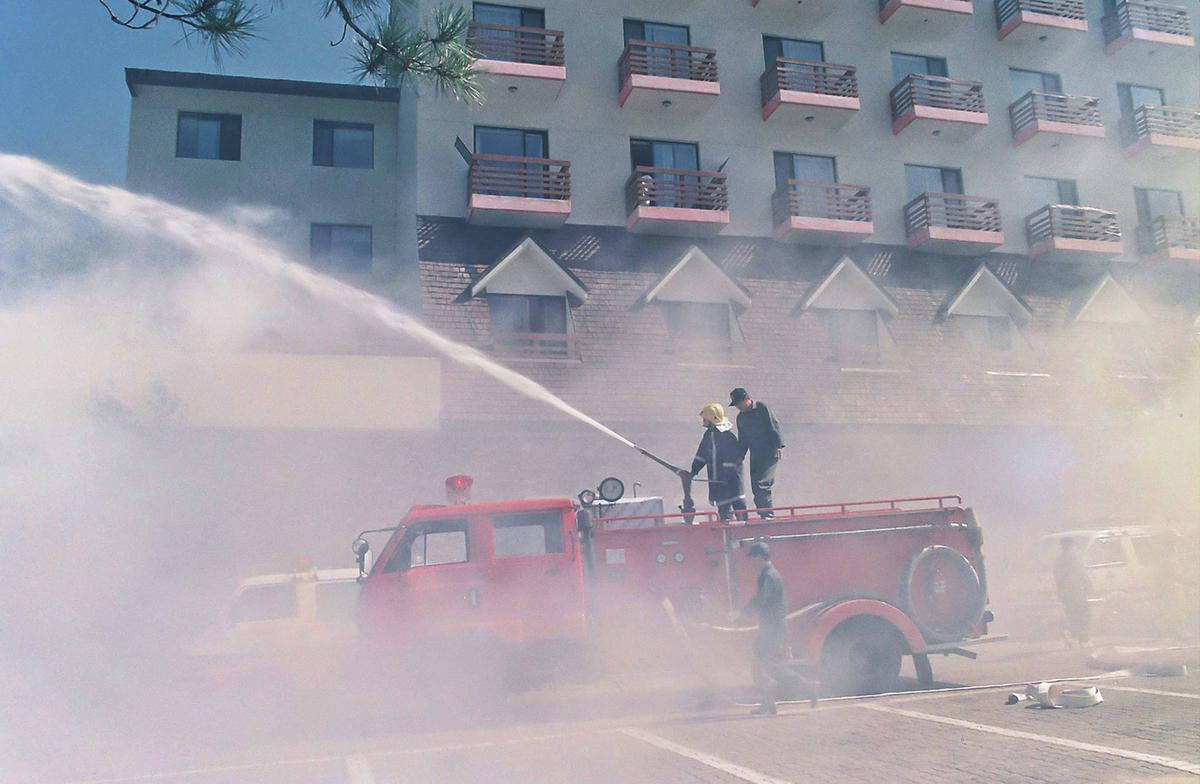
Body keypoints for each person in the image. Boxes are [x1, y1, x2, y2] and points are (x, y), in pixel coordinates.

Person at [741, 541, 788, 715]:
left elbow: (761, 599)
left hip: (772, 629)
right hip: (772, 628)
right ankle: (768, 703)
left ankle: (807, 687)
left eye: (753, 558)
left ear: (760, 557)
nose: (752, 563)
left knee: (762, 668)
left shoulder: (767, 576)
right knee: (765, 667)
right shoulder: (770, 574)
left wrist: (741, 613)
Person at [682, 403, 747, 522]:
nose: (703, 420)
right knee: (724, 515)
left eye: (705, 418)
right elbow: (701, 456)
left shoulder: (727, 437)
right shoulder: (709, 436)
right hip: (720, 484)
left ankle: (745, 536)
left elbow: (735, 460)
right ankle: (730, 538)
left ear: (712, 419)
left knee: (740, 514)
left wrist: (725, 476)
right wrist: (693, 471)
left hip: (731, 483)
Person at [730, 388, 785, 519]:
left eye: (739, 403)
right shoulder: (741, 418)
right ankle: (763, 513)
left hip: (769, 453)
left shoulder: (762, 408)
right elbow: (743, 440)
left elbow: (773, 426)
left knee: (762, 483)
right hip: (755, 454)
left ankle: (768, 516)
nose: (737, 407)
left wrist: (778, 446)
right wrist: (740, 456)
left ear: (746, 399)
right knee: (756, 486)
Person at [1053, 538, 1092, 649]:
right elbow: (1082, 572)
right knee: (1083, 615)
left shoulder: (1058, 561)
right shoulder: (1075, 558)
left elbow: (1057, 577)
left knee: (1073, 615)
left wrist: (1061, 591)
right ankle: (1083, 640)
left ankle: (1069, 632)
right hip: (1077, 591)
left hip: (1065, 593)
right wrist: (1089, 585)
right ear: (1070, 546)